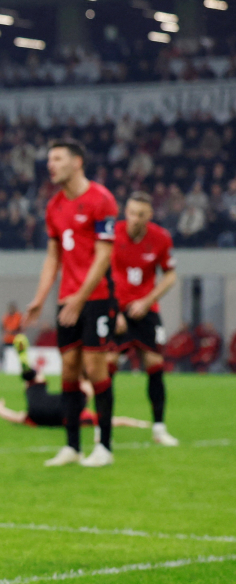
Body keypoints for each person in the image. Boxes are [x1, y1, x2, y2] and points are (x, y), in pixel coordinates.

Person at [23, 140, 118, 468]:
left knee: (95, 368)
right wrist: (39, 297)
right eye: (49, 159)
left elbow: (104, 256)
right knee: (69, 370)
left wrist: (79, 299)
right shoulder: (54, 206)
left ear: (77, 162)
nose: (51, 165)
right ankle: (72, 447)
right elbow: (53, 256)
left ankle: (104, 447)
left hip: (95, 298)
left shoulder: (101, 199)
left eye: (58, 158)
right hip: (68, 300)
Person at [112, 191, 179, 446]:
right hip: (116, 310)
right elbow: (101, 272)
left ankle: (159, 428)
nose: (134, 219)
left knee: (155, 364)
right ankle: (102, 428)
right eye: (130, 213)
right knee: (107, 366)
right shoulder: (113, 235)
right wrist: (113, 310)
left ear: (149, 216)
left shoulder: (160, 238)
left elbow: (171, 276)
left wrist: (147, 301)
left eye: (140, 215)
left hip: (145, 311)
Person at [0, 335, 147, 430]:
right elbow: (114, 420)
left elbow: (16, 417)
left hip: (40, 410)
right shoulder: (83, 416)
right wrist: (138, 423)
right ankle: (30, 374)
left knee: (51, 385)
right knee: (80, 392)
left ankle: (28, 369)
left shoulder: (34, 417)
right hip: (60, 411)